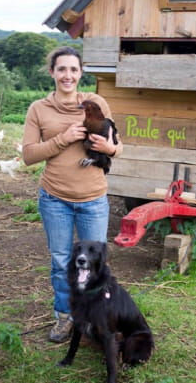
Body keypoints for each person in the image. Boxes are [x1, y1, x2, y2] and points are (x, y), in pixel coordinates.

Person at [22, 46, 123, 343]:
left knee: (95, 263)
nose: (68, 75)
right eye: (62, 69)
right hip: (55, 199)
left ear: (81, 73)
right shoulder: (38, 109)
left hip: (93, 199)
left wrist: (110, 149)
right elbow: (28, 155)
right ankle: (65, 317)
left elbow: (118, 144)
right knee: (62, 261)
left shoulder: (96, 102)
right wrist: (63, 138)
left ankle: (94, 317)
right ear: (52, 72)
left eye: (74, 70)